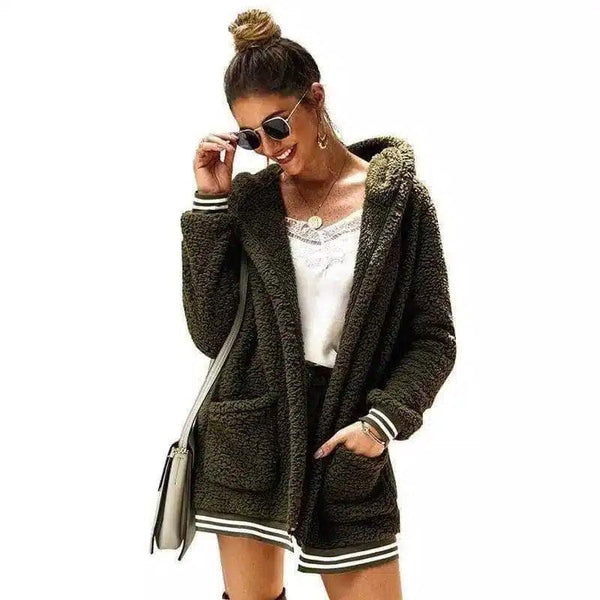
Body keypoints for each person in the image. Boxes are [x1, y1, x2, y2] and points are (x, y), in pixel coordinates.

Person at [182, 9, 456, 600]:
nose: (268, 148)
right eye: (250, 137)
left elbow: (433, 337)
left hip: (344, 439)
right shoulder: (250, 202)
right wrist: (211, 207)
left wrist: (381, 425)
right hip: (251, 438)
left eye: (277, 126)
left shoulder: (400, 204)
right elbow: (210, 332)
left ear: (316, 98)